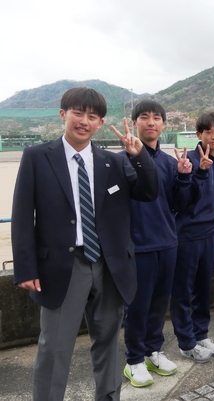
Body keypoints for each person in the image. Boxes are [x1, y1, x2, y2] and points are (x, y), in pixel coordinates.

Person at [11, 87, 159, 401]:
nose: (84, 121)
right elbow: (22, 215)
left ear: (100, 123)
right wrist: (25, 268)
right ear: (63, 114)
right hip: (61, 266)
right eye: (78, 113)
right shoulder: (37, 157)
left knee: (107, 342)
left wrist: (139, 156)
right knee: (54, 348)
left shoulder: (113, 162)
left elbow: (148, 192)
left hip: (110, 266)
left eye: (92, 116)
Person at [122, 100, 198, 387]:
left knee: (159, 303)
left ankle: (153, 350)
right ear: (135, 123)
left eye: (156, 118)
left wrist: (185, 176)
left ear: (164, 124)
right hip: (137, 245)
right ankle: (134, 360)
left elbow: (180, 205)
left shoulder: (169, 163)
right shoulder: (121, 160)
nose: (151, 122)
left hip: (167, 242)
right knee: (137, 306)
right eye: (144, 117)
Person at [170, 112, 214, 361]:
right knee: (183, 290)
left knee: (203, 288)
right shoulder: (187, 161)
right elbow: (181, 200)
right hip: (187, 234)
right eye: (208, 132)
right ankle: (186, 342)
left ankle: (200, 334)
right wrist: (198, 172)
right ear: (199, 134)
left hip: (211, 233)